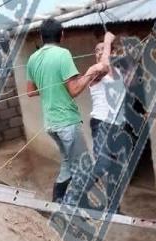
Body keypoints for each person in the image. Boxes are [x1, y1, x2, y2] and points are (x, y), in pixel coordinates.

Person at [26, 17, 108, 204]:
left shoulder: (32, 59)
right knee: (84, 168)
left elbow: (30, 92)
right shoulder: (62, 54)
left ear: (41, 36)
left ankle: (58, 200)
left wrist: (50, 87)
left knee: (67, 164)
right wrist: (91, 70)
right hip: (66, 122)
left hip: (51, 124)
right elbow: (74, 90)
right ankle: (78, 206)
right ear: (62, 35)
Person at [88, 31, 128, 212]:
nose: (99, 53)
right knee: (103, 164)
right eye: (96, 50)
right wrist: (107, 41)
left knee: (115, 169)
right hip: (101, 124)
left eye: (102, 50)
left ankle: (114, 206)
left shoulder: (118, 72)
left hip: (117, 126)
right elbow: (104, 66)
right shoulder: (94, 71)